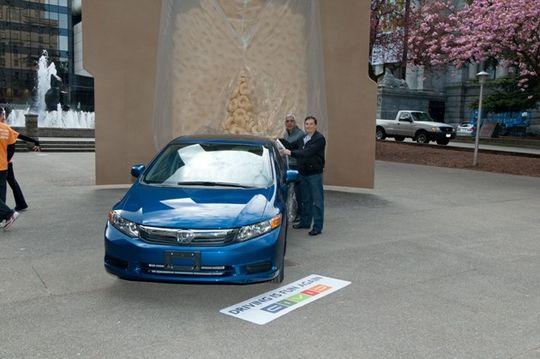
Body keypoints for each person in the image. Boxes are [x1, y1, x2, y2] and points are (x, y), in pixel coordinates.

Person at [281, 115, 326, 236]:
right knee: (306, 199)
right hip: (303, 173)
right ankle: (305, 222)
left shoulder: (319, 138)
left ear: (315, 125)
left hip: (314, 174)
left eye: (311, 124)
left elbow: (307, 152)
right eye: (307, 124)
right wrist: (278, 140)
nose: (309, 126)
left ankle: (317, 226)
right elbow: (291, 145)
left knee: (317, 201)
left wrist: (290, 153)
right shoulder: (304, 137)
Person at [1, 107, 41, 211]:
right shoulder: (7, 128)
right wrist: (35, 141)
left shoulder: (5, 128)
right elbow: (20, 137)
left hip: (3, 163)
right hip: (7, 162)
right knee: (12, 182)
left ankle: (5, 212)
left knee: (4, 186)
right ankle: (21, 203)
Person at [0, 107, 20, 230]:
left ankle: (9, 214)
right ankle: (3, 218)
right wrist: (6, 160)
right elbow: (12, 148)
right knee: (1, 193)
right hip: (3, 166)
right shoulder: (7, 129)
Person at [282, 113, 305, 222]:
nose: (289, 123)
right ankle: (291, 211)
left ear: (295, 123)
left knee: (298, 191)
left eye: (291, 121)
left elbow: (295, 149)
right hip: (287, 164)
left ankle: (301, 213)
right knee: (289, 191)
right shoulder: (286, 134)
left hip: (296, 165)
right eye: (287, 121)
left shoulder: (300, 135)